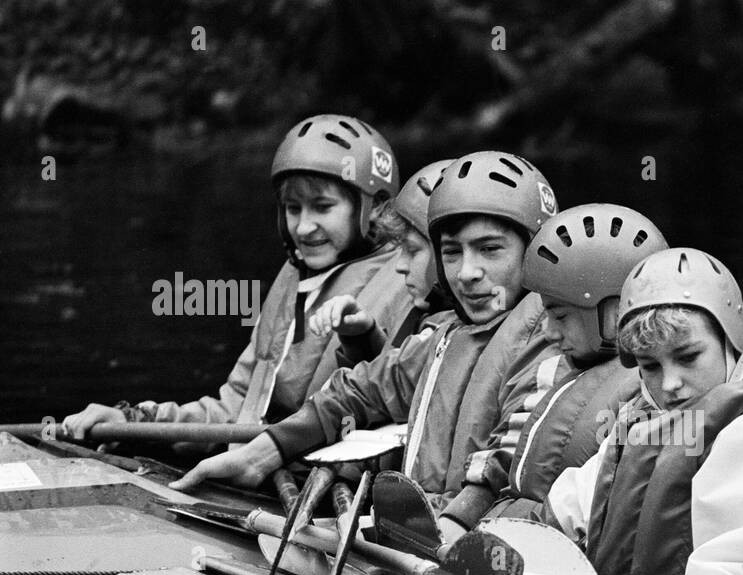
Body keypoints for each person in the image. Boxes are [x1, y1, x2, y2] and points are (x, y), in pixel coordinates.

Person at [171, 150, 561, 503]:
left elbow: (508, 462)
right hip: (422, 534)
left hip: (465, 540)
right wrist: (263, 454)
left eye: (490, 249)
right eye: (452, 252)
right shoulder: (444, 337)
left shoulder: (551, 342)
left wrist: (448, 525)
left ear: (534, 251)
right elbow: (358, 390)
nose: (468, 273)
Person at [63, 115, 411, 451]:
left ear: (374, 207)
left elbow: (393, 402)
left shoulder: (406, 279)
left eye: (322, 207)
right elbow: (235, 410)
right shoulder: (295, 274)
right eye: (293, 208)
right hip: (258, 469)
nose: (303, 227)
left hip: (315, 479)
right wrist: (135, 421)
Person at [546, 248, 743, 575]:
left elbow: (740, 560)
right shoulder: (637, 421)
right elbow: (569, 508)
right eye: (650, 366)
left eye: (688, 357)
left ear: (731, 341)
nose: (670, 384)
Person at [436, 203, 666, 535]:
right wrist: (457, 519)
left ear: (614, 311)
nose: (548, 331)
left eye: (559, 315)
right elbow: (510, 456)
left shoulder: (652, 395)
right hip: (514, 539)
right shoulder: (568, 371)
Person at [306, 158, 454, 353]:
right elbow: (395, 379)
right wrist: (364, 337)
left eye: (412, 250)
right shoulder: (425, 315)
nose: (400, 265)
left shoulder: (462, 334)